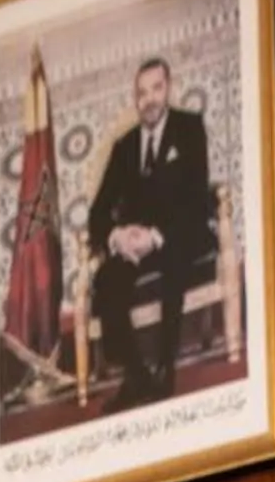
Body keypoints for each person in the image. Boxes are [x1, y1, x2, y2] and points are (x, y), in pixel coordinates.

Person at [86, 54, 212, 407]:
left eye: (156, 89)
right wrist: (117, 237)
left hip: (178, 234)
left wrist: (156, 235)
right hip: (134, 245)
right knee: (107, 279)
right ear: (135, 99)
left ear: (168, 88)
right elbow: (97, 212)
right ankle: (136, 375)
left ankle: (165, 368)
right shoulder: (124, 148)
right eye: (141, 93)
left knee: (174, 256)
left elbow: (197, 198)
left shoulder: (189, 128)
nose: (149, 99)